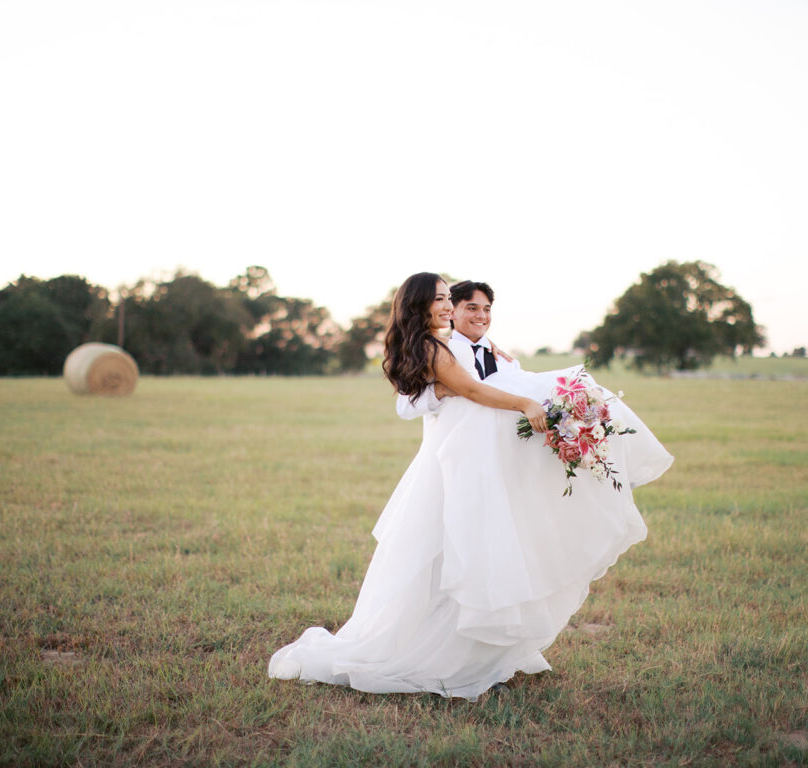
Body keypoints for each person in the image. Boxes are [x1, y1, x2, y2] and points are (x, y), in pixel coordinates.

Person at [268, 272, 673, 700]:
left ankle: (479, 651)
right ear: (421, 304)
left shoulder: (450, 345)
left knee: (469, 551)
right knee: (455, 552)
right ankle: (442, 653)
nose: (447, 306)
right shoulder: (435, 347)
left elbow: (487, 385)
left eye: (449, 298)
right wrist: (517, 401)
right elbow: (462, 393)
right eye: (441, 300)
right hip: (455, 462)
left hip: (475, 459)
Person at [395, 279, 516, 421]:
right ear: (453, 311)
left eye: (487, 309)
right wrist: (440, 390)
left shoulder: (506, 361)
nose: (481, 316)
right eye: (472, 308)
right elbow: (404, 407)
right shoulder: (433, 352)